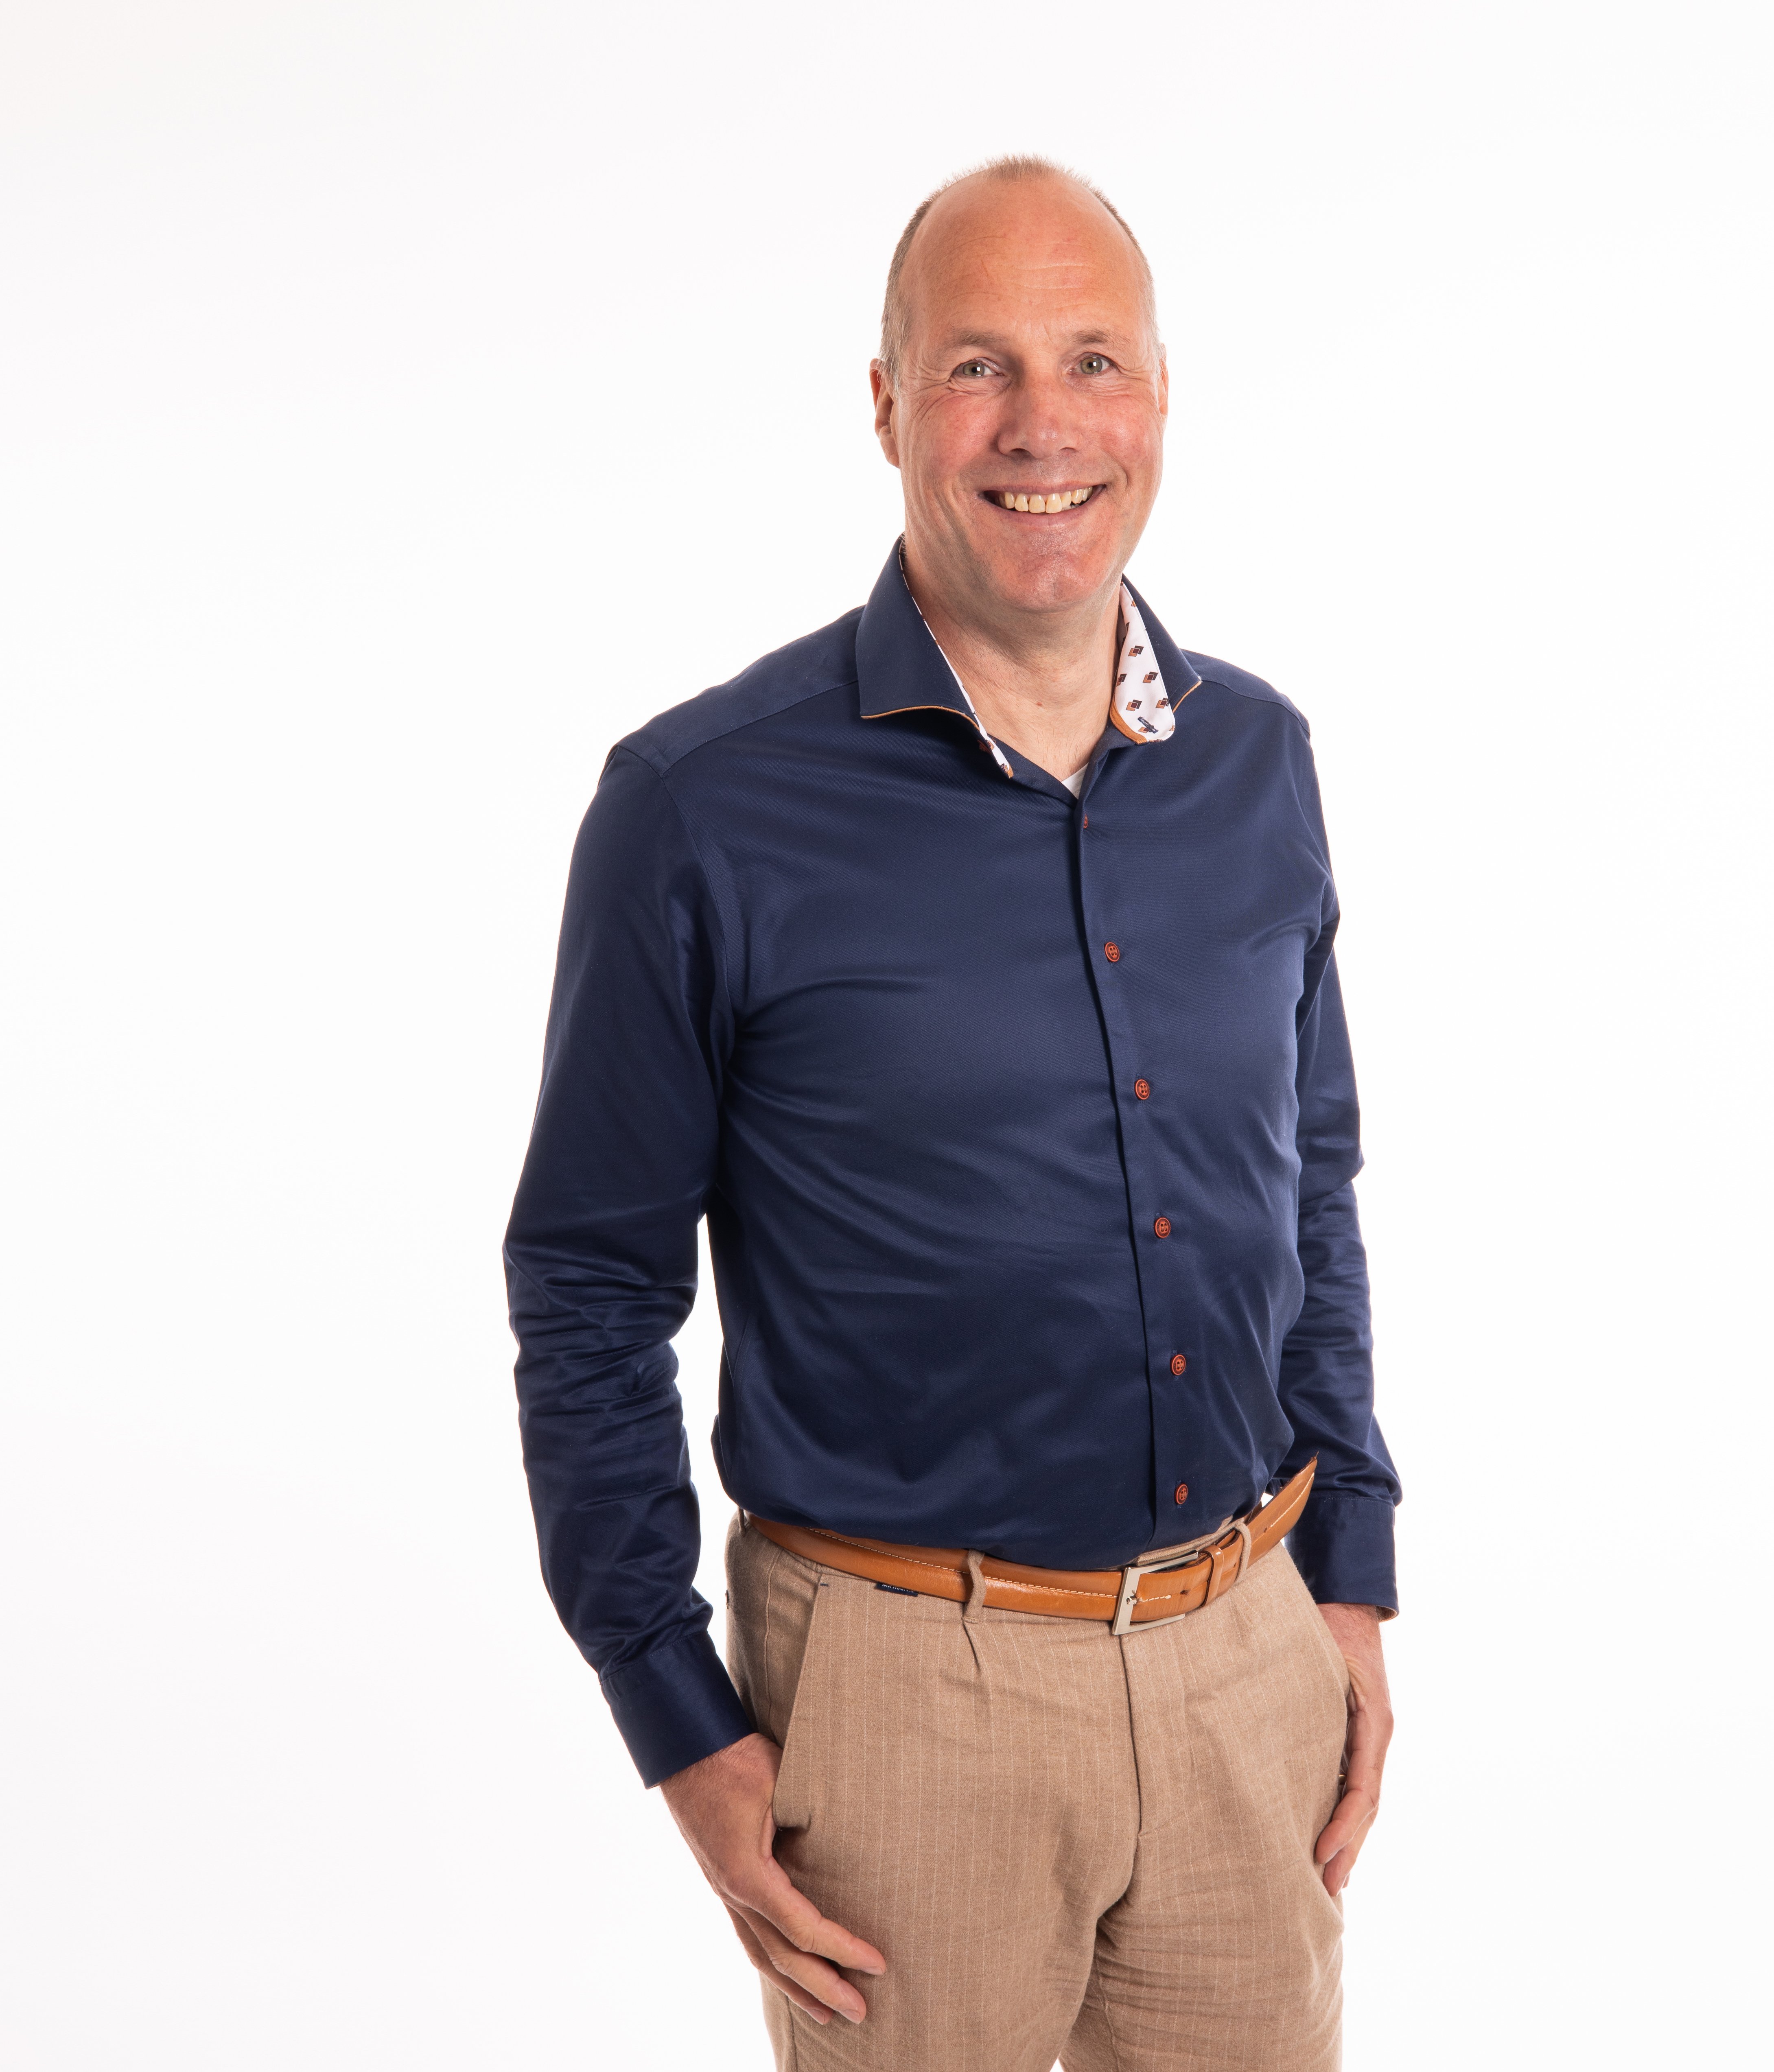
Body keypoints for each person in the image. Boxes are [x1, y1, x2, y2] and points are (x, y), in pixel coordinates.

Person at [504, 155, 1402, 2072]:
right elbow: (588, 1280)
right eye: (978, 365)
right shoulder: (700, 806)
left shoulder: (1258, 759)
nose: (1041, 425)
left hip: (1249, 1652)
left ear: (1160, 394)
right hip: (910, 1695)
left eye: (1092, 360)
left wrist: (1351, 1569)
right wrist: (674, 1713)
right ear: (889, 404)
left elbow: (1307, 1180)